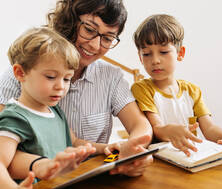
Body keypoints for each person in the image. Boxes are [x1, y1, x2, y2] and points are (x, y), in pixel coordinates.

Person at [0, 0, 153, 175]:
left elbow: (140, 125)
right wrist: (43, 166)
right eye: (88, 29)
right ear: (69, 21)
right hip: (37, 184)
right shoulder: (23, 75)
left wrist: (129, 153)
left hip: (95, 180)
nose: (95, 45)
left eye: (108, 38)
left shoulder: (111, 77)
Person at [131, 14, 222, 156]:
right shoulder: (141, 88)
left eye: (163, 52)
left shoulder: (192, 91)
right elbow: (157, 127)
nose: (155, 60)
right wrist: (170, 131)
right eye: (146, 54)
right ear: (140, 57)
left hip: (191, 157)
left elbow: (209, 128)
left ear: (180, 53)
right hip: (162, 160)